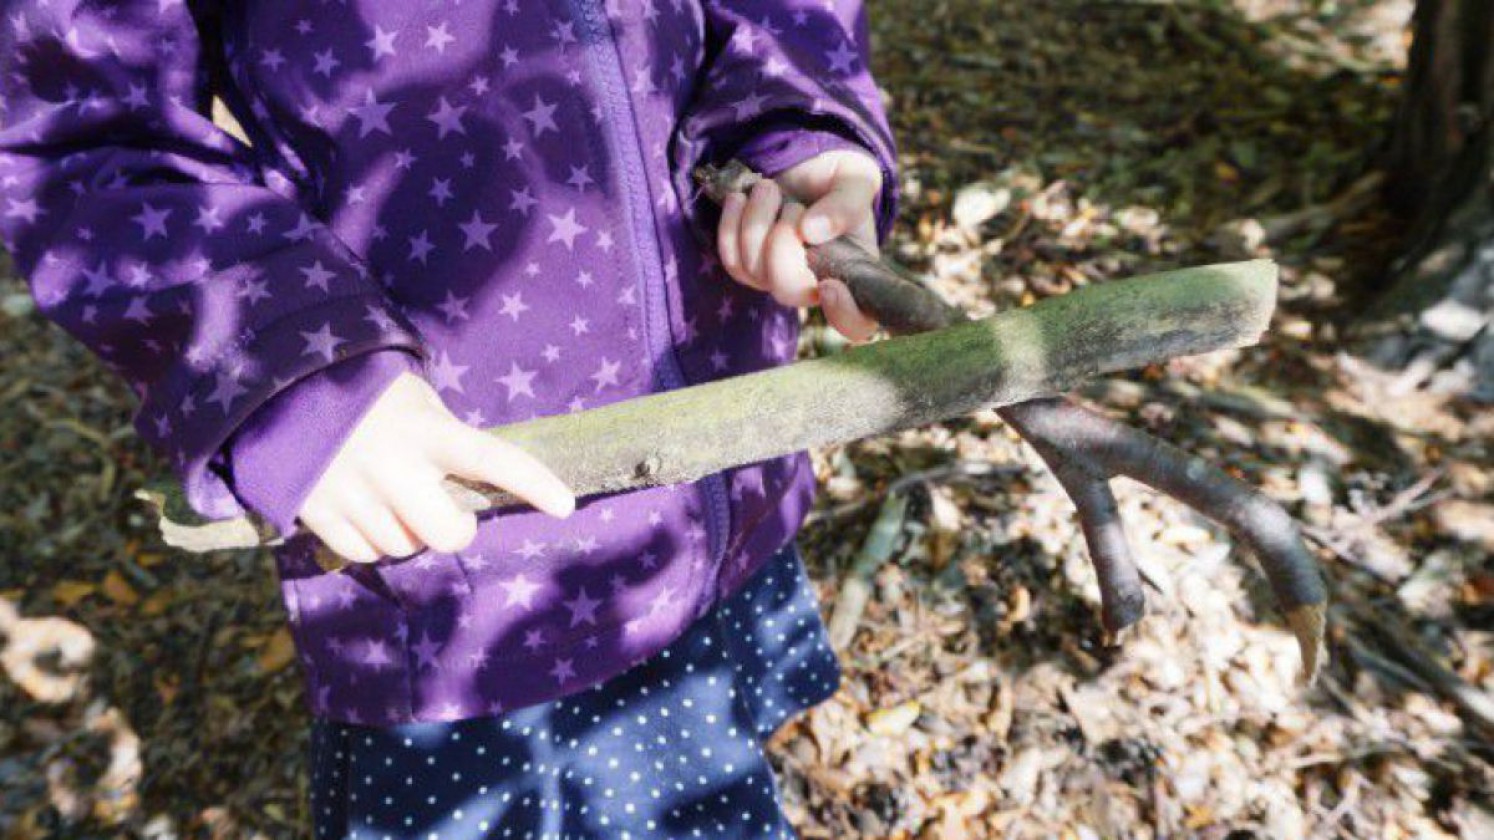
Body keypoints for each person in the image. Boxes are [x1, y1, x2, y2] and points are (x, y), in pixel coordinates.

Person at [0, 0, 898, 835]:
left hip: (727, 477)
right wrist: (287, 357)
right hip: (470, 569)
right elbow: (78, 117)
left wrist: (794, 120)